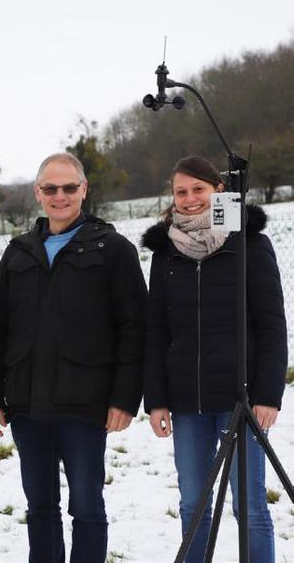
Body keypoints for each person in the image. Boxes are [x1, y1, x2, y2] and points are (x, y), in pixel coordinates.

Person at [0, 152, 147, 563]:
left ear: (84, 190)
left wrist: (124, 399)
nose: (60, 196)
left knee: (87, 506)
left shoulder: (113, 250)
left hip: (86, 405)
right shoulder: (18, 252)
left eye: (69, 187)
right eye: (50, 188)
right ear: (38, 194)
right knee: (40, 508)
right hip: (27, 403)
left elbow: (135, 331)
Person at [142, 155, 287, 563]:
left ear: (218, 191)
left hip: (241, 398)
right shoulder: (166, 253)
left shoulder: (248, 243)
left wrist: (268, 395)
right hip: (187, 401)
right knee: (193, 504)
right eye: (181, 192)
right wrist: (156, 399)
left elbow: (273, 323)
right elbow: (156, 330)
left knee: (250, 507)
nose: (189, 200)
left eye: (198, 190)